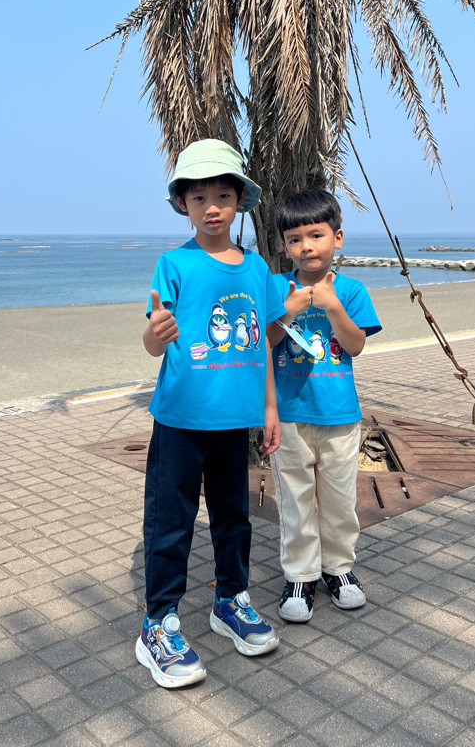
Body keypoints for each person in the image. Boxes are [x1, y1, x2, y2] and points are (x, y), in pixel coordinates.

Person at [136, 139, 286, 689]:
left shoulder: (257, 267)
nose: (212, 207)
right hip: (180, 418)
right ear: (183, 204)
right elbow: (154, 343)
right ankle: (158, 623)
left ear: (241, 200)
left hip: (234, 420)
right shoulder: (174, 263)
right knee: (170, 521)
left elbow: (266, 340)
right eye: (199, 197)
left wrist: (269, 409)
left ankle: (231, 600)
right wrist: (156, 334)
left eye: (223, 195)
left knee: (233, 517)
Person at [266, 190, 382, 622]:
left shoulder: (351, 290)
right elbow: (265, 342)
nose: (306, 247)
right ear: (284, 246)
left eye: (316, 235)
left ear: (337, 237)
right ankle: (300, 574)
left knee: (338, 500)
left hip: (340, 416)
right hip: (289, 416)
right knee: (294, 501)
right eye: (295, 239)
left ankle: (339, 568)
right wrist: (287, 310)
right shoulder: (277, 287)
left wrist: (332, 307)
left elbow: (355, 345)